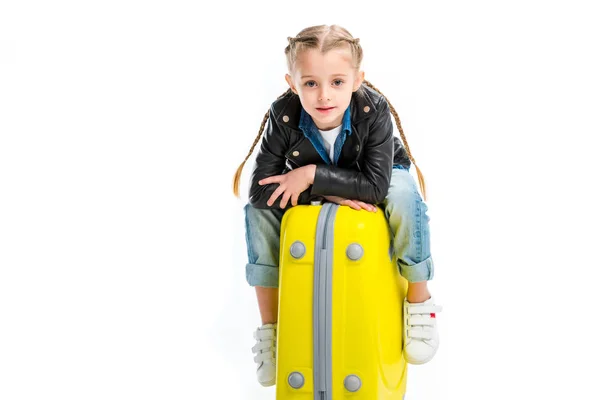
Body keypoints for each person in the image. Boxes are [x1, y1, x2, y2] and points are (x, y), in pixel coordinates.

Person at [232, 24, 443, 387]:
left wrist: (313, 174)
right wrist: (326, 191)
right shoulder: (283, 114)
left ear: (358, 80)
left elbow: (376, 186)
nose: (323, 96)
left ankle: (420, 301)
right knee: (257, 213)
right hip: (327, 186)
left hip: (375, 174)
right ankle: (271, 328)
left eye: (337, 82)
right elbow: (258, 190)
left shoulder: (372, 110)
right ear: (291, 83)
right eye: (310, 83)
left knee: (405, 195)